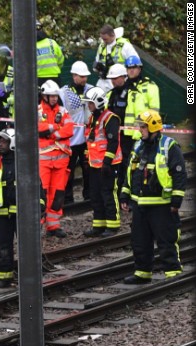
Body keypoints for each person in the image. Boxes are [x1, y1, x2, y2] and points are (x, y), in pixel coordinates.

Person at [120, 110, 187, 284]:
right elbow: (130, 173)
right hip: (140, 204)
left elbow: (179, 174)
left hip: (162, 204)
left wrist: (176, 200)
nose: (139, 129)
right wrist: (125, 195)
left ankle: (173, 273)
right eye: (139, 126)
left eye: (143, 126)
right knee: (140, 241)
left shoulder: (169, 146)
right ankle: (142, 273)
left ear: (152, 127)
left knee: (166, 240)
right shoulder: (138, 146)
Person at [0, 129, 44, 289]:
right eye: (0, 141)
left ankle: (29, 278)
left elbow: (37, 185)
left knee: (27, 246)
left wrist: (40, 205)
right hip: (1, 212)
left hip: (22, 212)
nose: (0, 144)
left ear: (13, 143)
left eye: (4, 141)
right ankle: (4, 277)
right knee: (3, 246)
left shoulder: (24, 161)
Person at [81, 87, 122, 238]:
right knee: (96, 194)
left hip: (107, 165)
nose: (89, 106)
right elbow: (91, 141)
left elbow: (113, 142)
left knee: (108, 193)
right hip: (95, 165)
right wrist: (86, 158)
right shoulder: (93, 119)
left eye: (90, 103)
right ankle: (99, 225)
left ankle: (113, 225)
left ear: (98, 102)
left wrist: (107, 162)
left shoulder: (110, 118)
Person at [38, 79, 74, 238]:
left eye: (55, 96)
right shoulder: (37, 111)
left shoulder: (63, 111)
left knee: (58, 193)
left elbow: (69, 129)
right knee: (41, 193)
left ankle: (53, 225)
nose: (54, 98)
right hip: (44, 161)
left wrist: (51, 133)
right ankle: (38, 223)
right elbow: (36, 128)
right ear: (44, 96)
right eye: (51, 96)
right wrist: (54, 127)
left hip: (61, 161)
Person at [59, 61, 94, 204]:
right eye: (81, 76)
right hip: (71, 139)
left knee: (88, 170)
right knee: (69, 171)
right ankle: (68, 199)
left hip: (87, 139)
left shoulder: (91, 89)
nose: (84, 79)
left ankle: (89, 196)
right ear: (74, 76)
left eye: (85, 76)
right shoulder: (64, 92)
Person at [105, 63, 136, 192]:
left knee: (127, 164)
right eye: (111, 79)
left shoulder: (132, 93)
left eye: (115, 78)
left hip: (129, 136)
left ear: (123, 77)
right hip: (114, 136)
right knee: (116, 164)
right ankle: (118, 190)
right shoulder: (111, 94)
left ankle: (126, 191)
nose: (112, 81)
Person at [93, 25, 139, 92]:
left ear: (112, 35)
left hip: (118, 82)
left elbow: (136, 64)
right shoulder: (102, 45)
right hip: (102, 81)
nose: (103, 41)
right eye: (102, 39)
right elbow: (97, 61)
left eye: (105, 39)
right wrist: (97, 67)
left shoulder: (124, 45)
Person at [35, 20, 64, 86]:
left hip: (38, 79)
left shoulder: (29, 46)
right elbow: (61, 60)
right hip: (55, 77)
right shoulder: (52, 42)